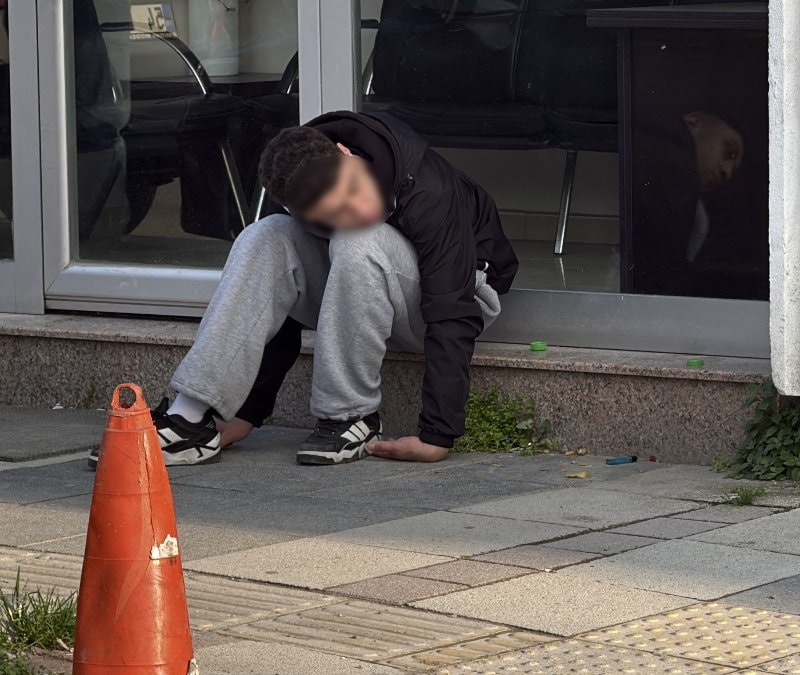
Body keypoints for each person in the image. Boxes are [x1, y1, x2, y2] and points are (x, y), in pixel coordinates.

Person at [91, 110, 518, 469]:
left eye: (354, 189)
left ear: (345, 153)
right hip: (363, 294)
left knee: (358, 238)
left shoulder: (427, 187)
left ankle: (350, 416)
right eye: (336, 211)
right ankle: (188, 419)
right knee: (265, 237)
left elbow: (451, 309)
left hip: (457, 301)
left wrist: (438, 434)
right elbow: (283, 301)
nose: (360, 208)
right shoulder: (298, 189)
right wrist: (248, 413)